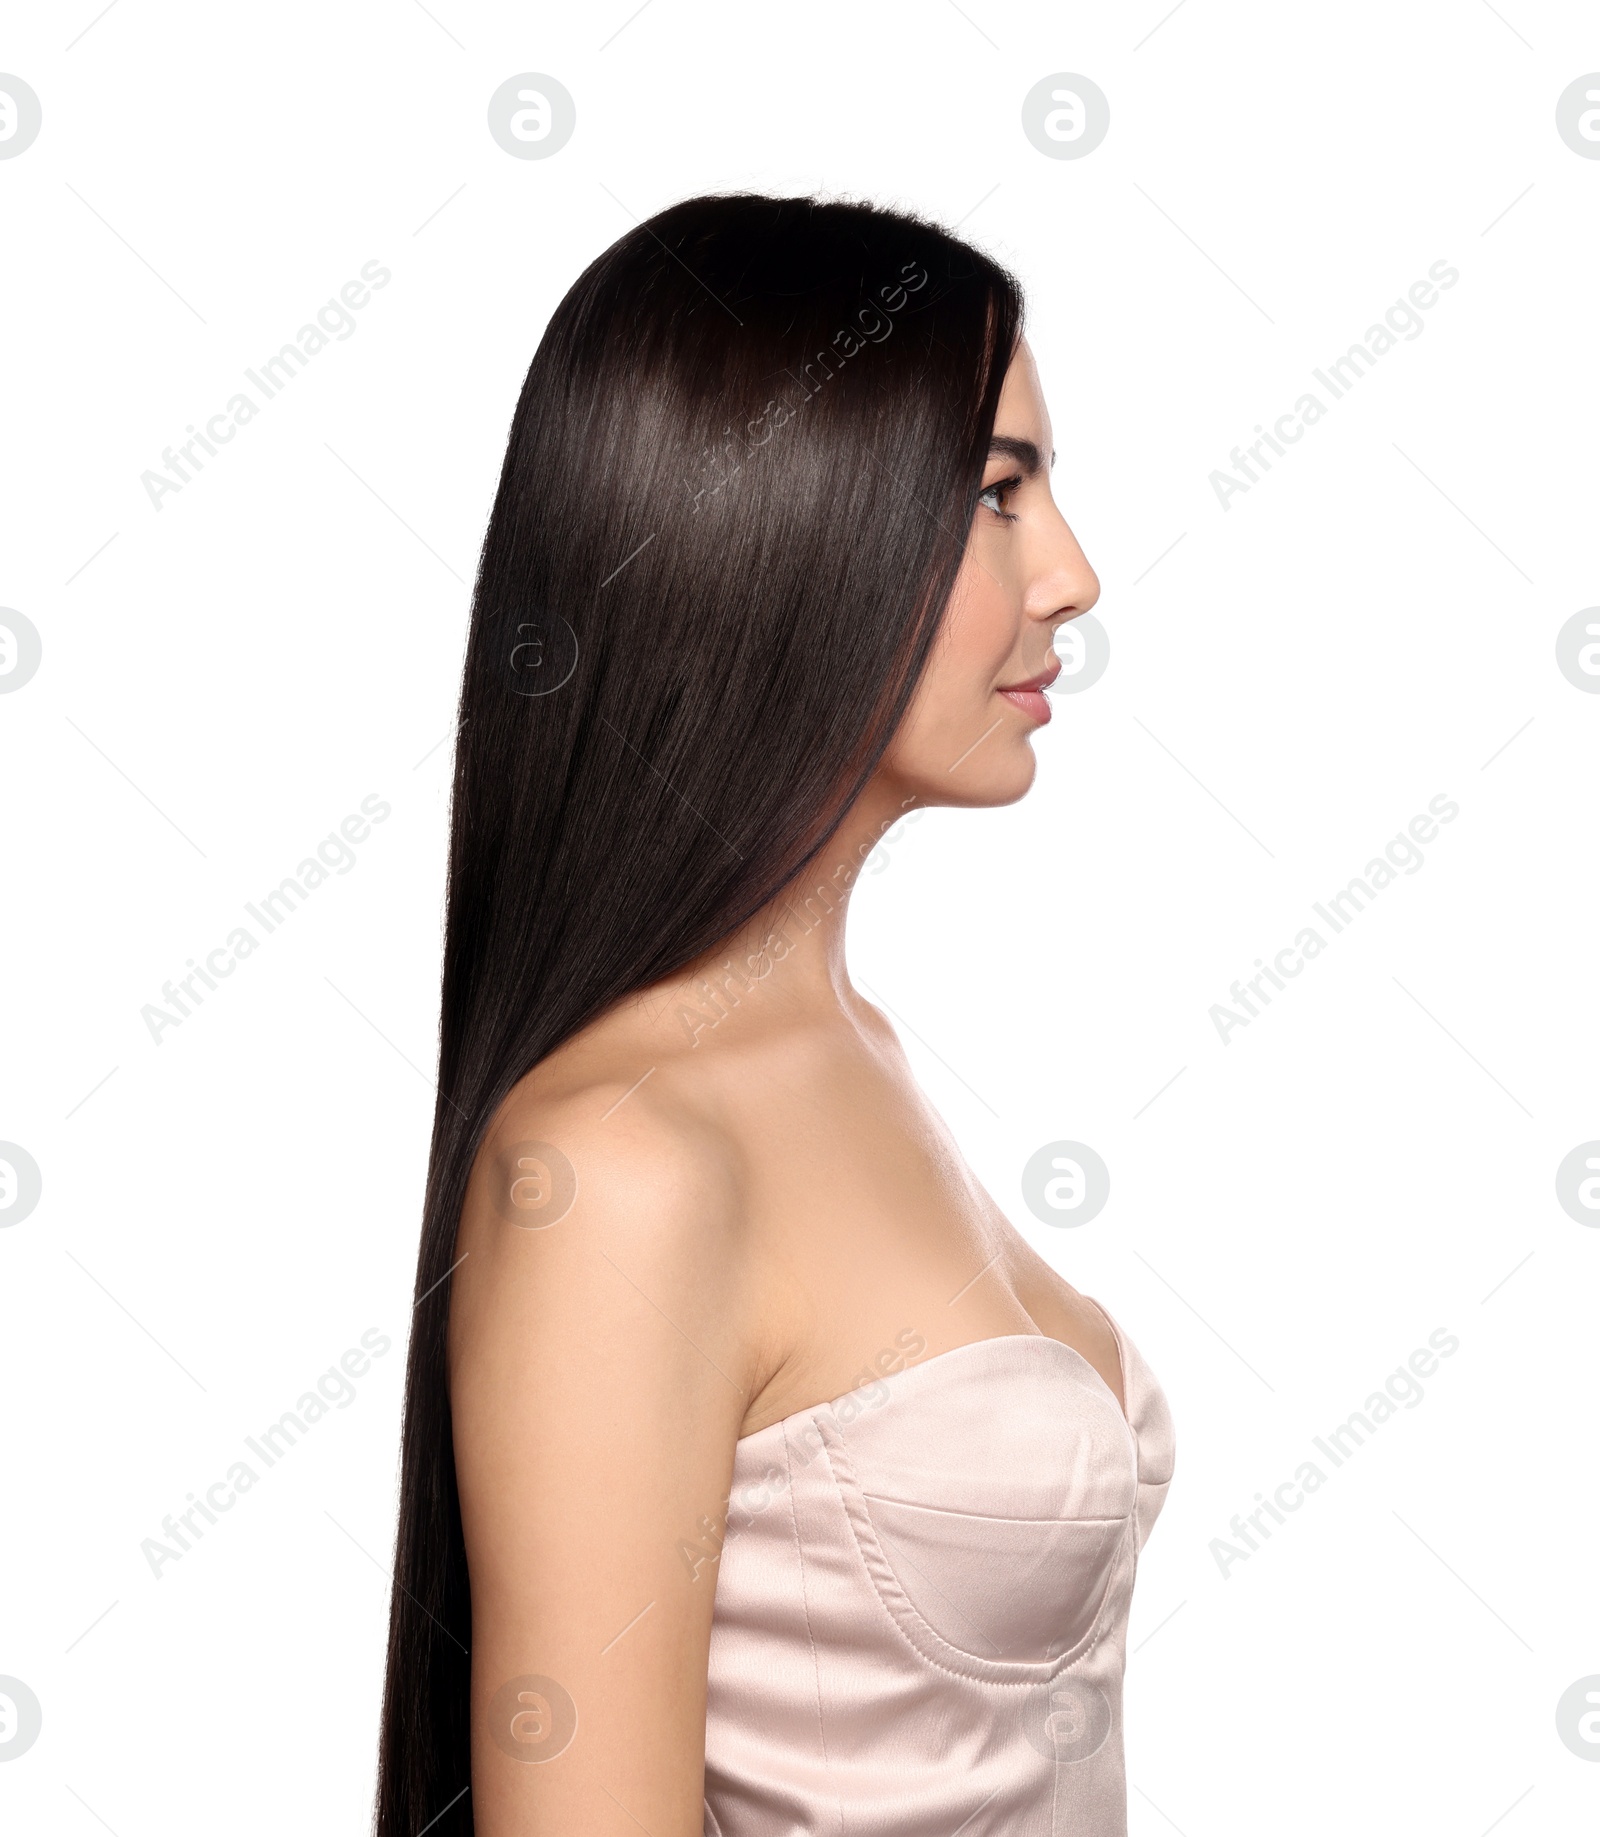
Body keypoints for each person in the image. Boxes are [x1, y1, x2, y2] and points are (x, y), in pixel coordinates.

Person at [376, 192, 1174, 1837]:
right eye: (997, 494)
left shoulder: (850, 1052)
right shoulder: (620, 1160)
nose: (1075, 575)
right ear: (787, 527)